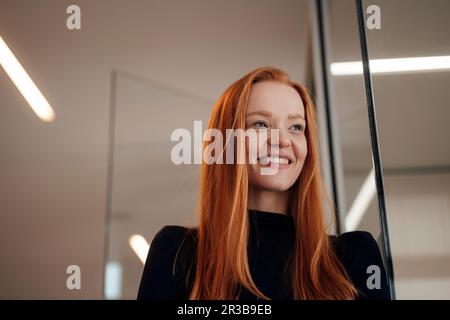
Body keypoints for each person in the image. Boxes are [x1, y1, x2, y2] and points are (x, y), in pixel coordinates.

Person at [137, 66, 391, 300]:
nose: (282, 140)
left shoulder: (353, 257)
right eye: (260, 124)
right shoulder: (177, 253)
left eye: (296, 127)